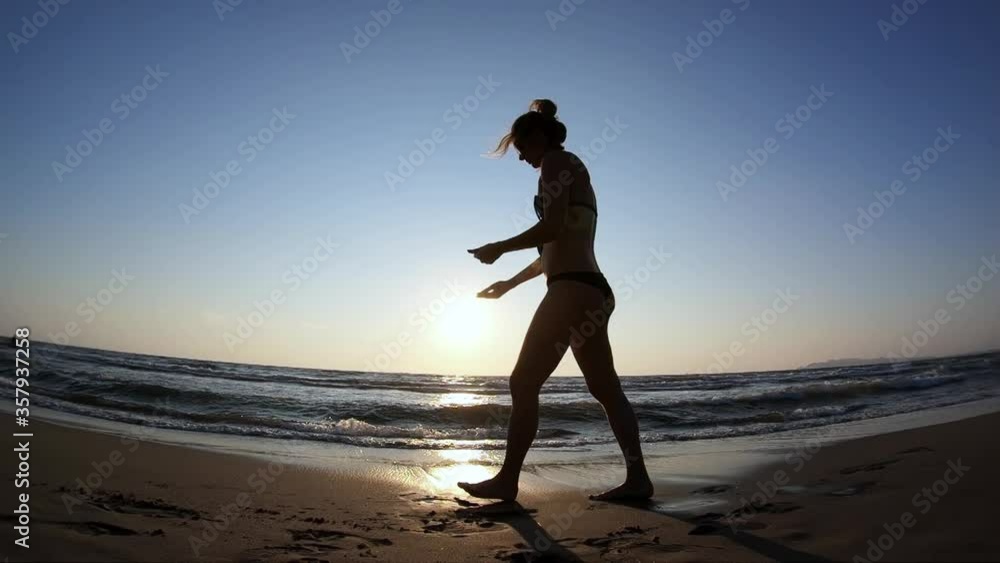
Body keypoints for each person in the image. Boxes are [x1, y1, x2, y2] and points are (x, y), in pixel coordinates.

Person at [463, 99, 653, 502]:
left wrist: (499, 246)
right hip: (591, 290)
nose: (522, 158)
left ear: (538, 137)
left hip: (571, 290)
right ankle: (638, 479)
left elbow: (550, 228)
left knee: (523, 382)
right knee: (606, 389)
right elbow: (551, 250)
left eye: (521, 148)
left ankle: (507, 481)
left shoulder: (555, 162)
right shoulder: (568, 168)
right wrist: (508, 284)